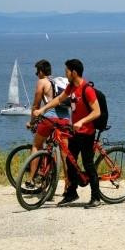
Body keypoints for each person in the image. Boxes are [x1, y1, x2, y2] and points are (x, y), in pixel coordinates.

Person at [34, 59, 102, 208]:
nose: (65, 73)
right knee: (71, 163)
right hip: (75, 132)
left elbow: (97, 112)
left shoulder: (87, 90)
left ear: (74, 72)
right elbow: (58, 99)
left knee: (88, 165)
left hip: (87, 132)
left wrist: (82, 122)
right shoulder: (71, 87)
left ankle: (96, 197)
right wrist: (42, 110)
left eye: (66, 71)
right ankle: (72, 193)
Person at [25, 60, 70, 195]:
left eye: (36, 73)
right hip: (65, 119)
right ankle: (68, 186)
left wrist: (32, 123)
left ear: (40, 72)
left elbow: (35, 105)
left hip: (49, 118)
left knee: (37, 146)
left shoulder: (42, 82)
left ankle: (31, 179)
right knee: (64, 153)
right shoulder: (60, 82)